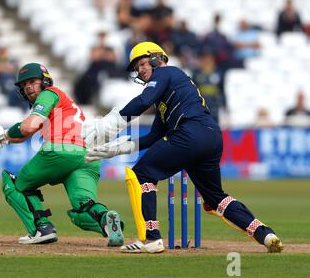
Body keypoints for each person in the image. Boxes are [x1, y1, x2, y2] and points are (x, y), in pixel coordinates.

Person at [82, 42, 283, 253]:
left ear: (156, 58)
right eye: (137, 68)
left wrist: (114, 122)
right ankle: (265, 234)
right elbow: (153, 136)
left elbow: (143, 101)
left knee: (142, 174)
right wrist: (118, 148)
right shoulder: (166, 96)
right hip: (211, 137)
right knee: (215, 199)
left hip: (190, 132)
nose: (140, 70)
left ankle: (151, 239)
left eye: (142, 63)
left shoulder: (167, 72)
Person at [0, 63, 124, 246]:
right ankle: (106, 220)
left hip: (62, 151)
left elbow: (27, 126)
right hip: (88, 159)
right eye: (24, 85)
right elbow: (24, 135)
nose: (28, 87)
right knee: (83, 207)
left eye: (32, 82)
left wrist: (2, 134)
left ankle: (42, 229)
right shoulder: (60, 105)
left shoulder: (49, 94)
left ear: (45, 81)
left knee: (16, 186)